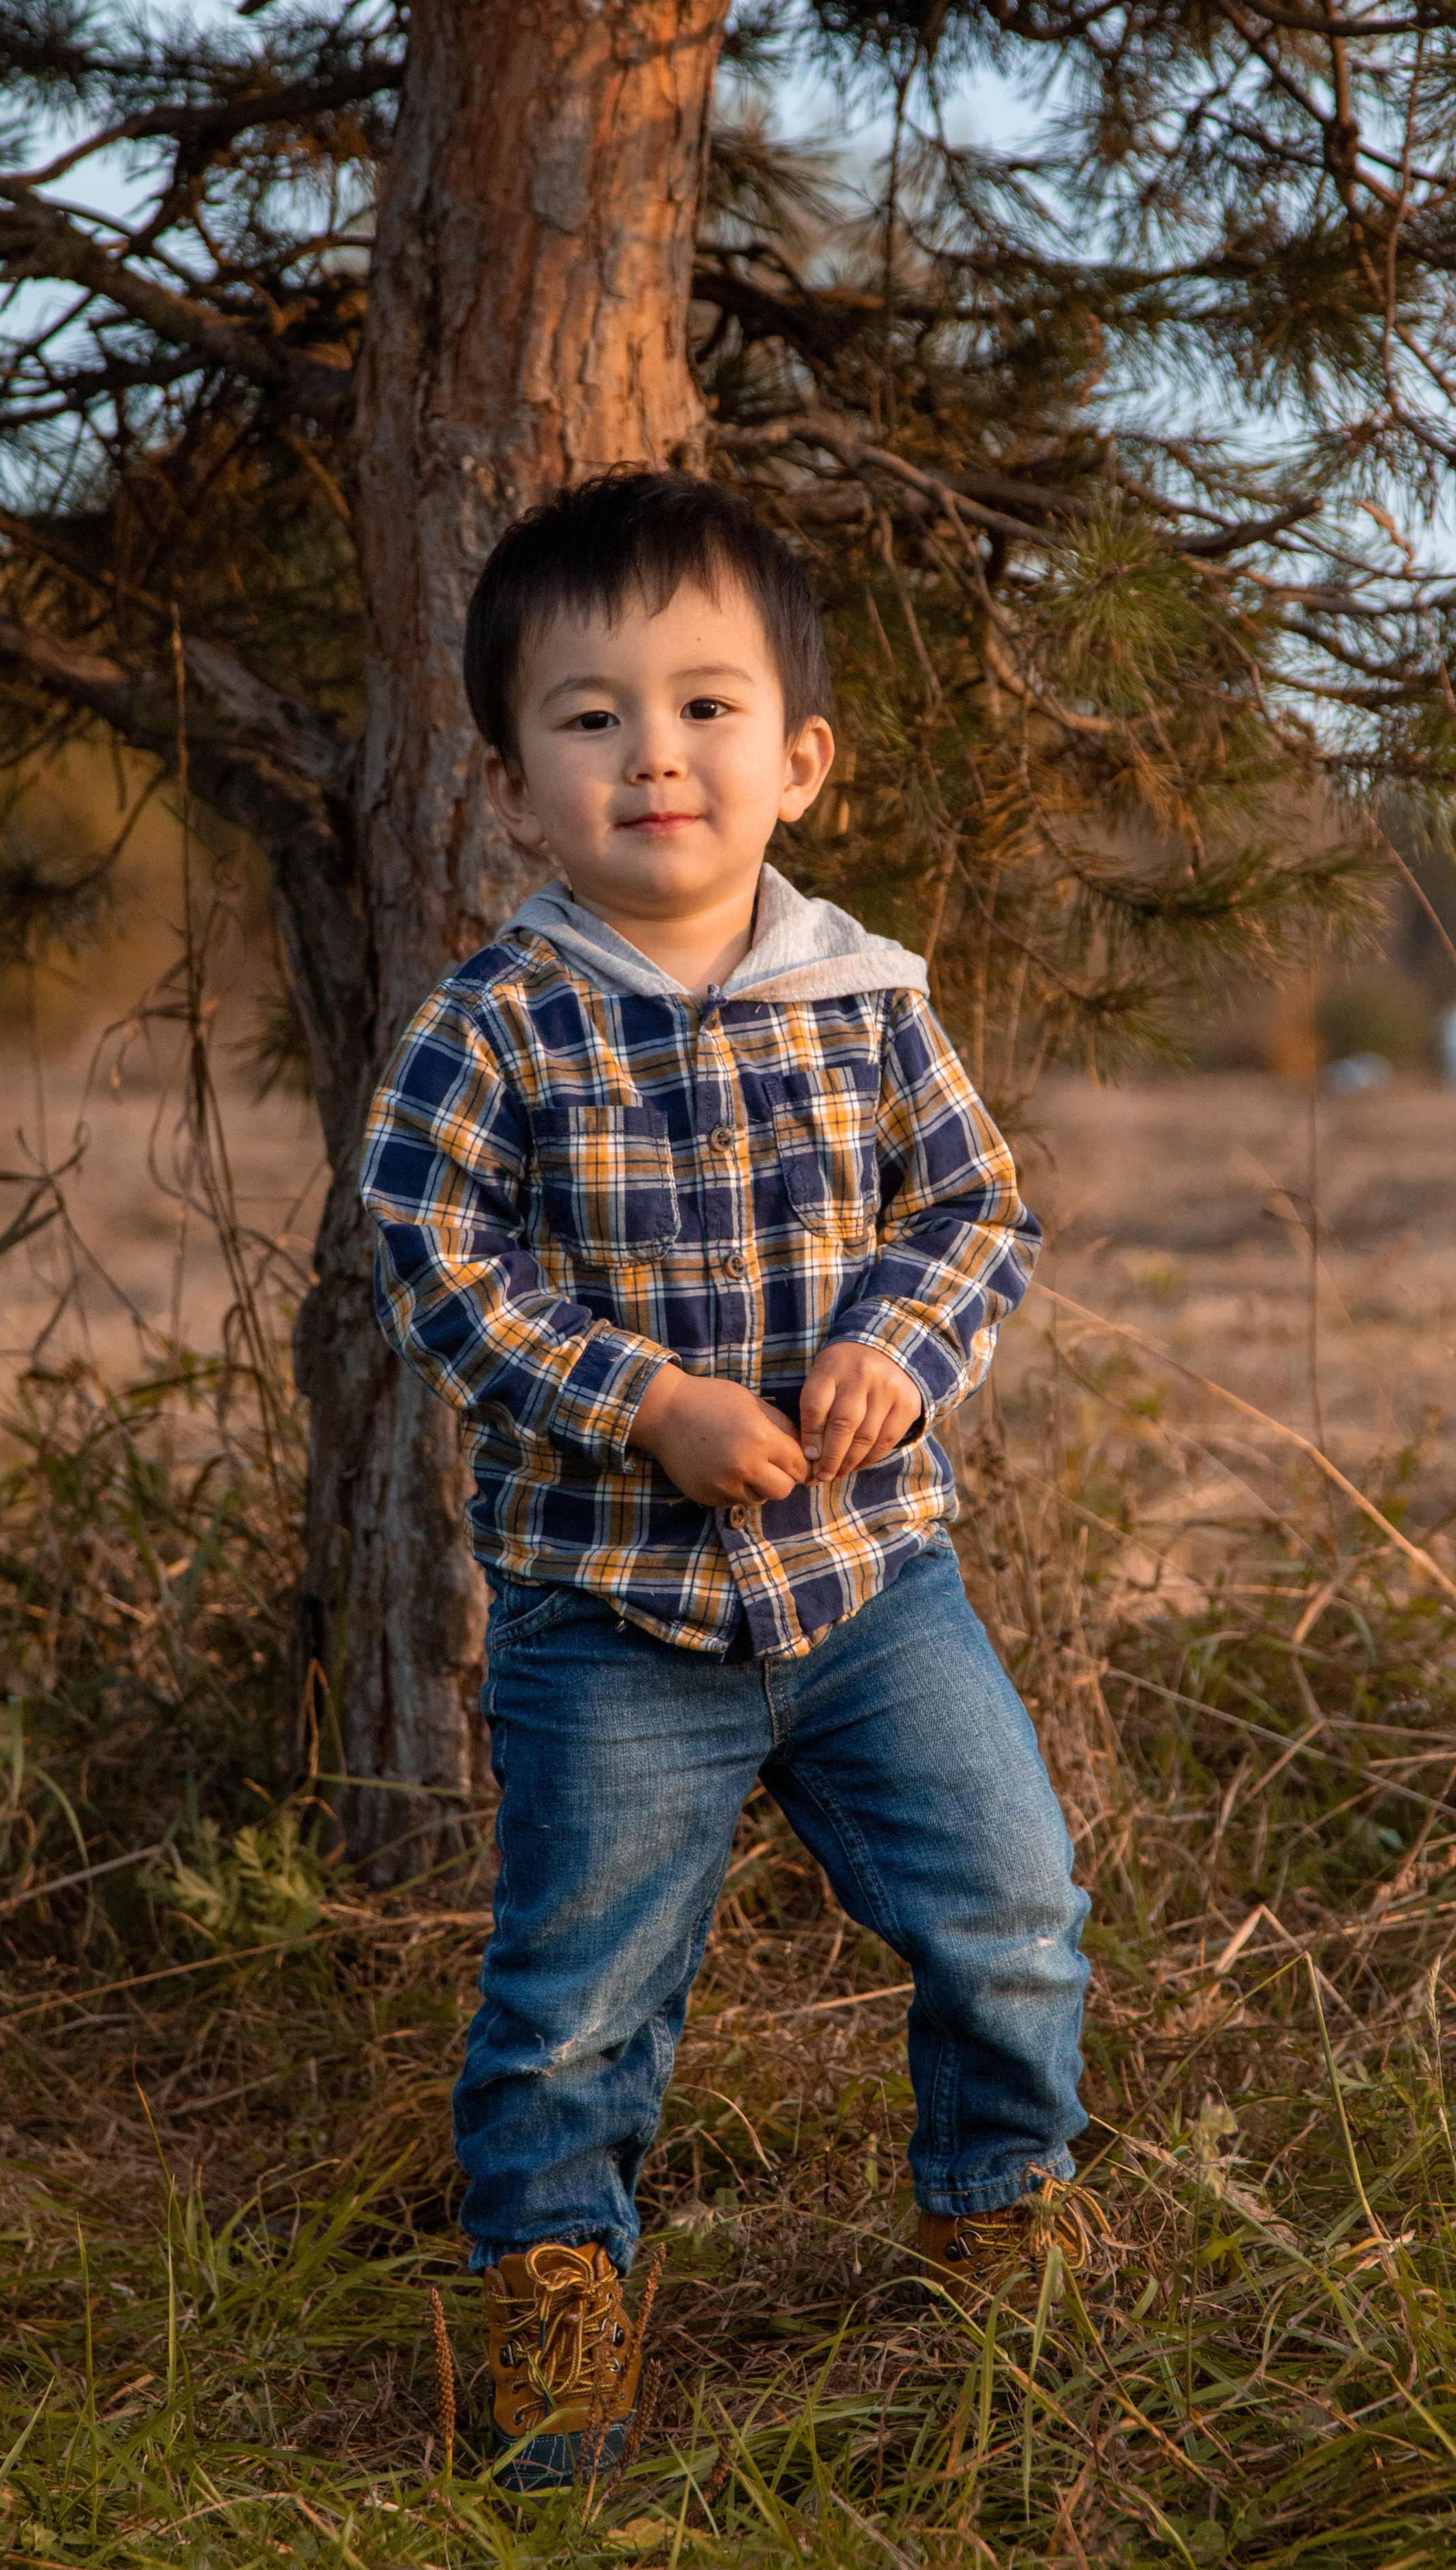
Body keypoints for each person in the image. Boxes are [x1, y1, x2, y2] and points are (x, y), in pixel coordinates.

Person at [359, 471, 1093, 2489]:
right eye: (589, 720)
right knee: (578, 1995)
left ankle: (994, 2222)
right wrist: (642, 1399)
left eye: (705, 708)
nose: (653, 755)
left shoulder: (869, 1004)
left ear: (802, 762)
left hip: (877, 1595)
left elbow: (979, 1217)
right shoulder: (493, 1028)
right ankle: (557, 2308)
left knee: (1014, 1915)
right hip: (613, 1618)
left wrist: (894, 1349)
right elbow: (432, 1253)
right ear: (517, 786)